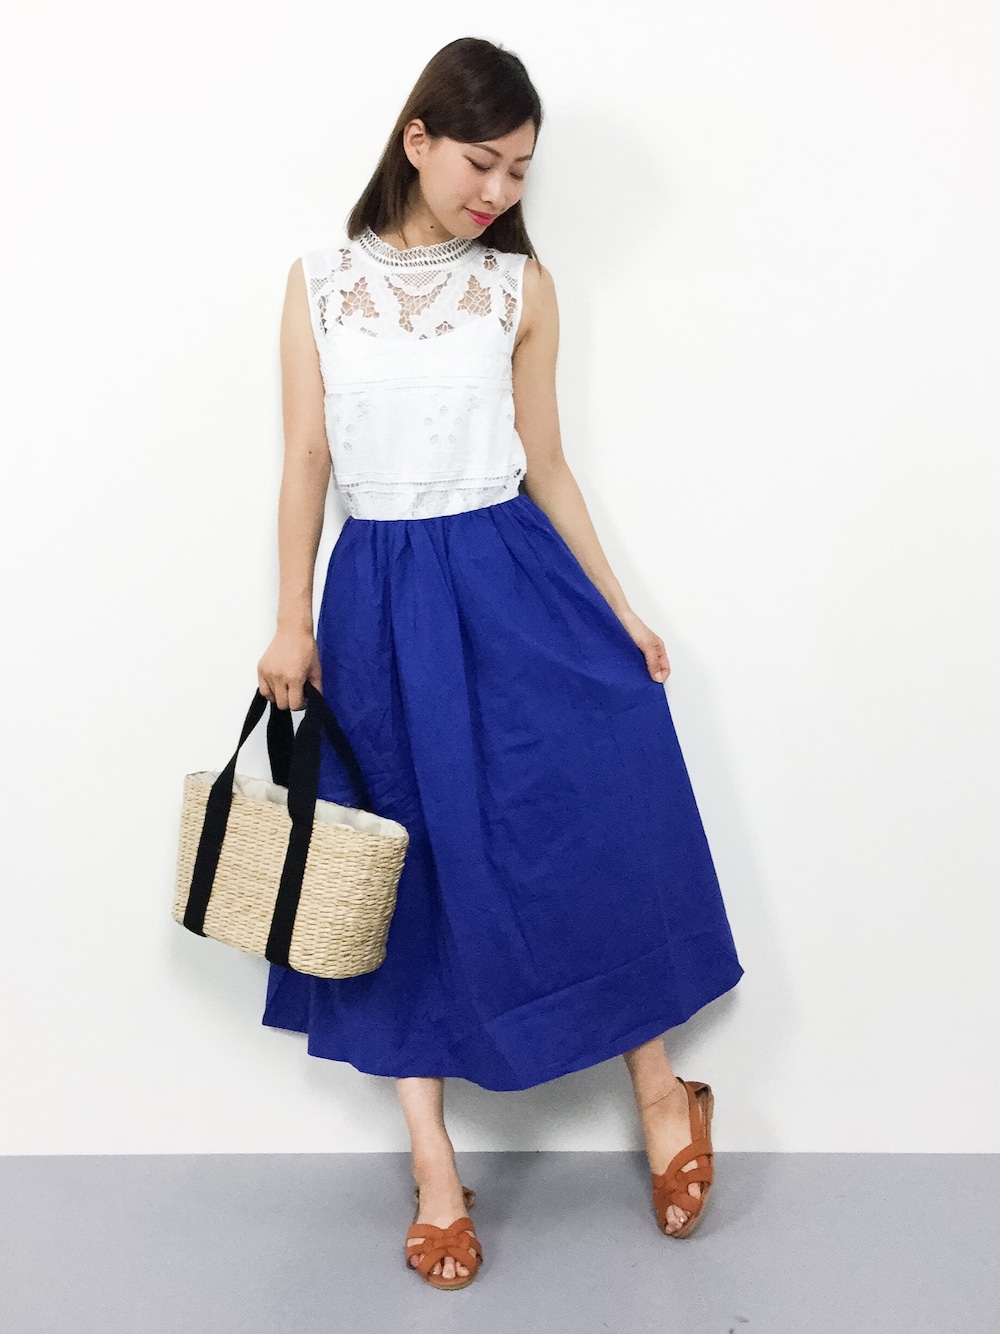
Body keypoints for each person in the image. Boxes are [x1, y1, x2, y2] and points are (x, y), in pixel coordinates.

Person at [256, 36, 744, 1290]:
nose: (499, 190)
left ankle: (663, 1092)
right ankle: (434, 1164)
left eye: (520, 170)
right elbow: (306, 460)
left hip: (513, 581)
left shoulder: (520, 288)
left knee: (583, 817)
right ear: (416, 138)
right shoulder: (318, 285)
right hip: (376, 598)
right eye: (483, 161)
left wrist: (619, 609)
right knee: (394, 868)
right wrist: (291, 620)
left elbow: (549, 465)